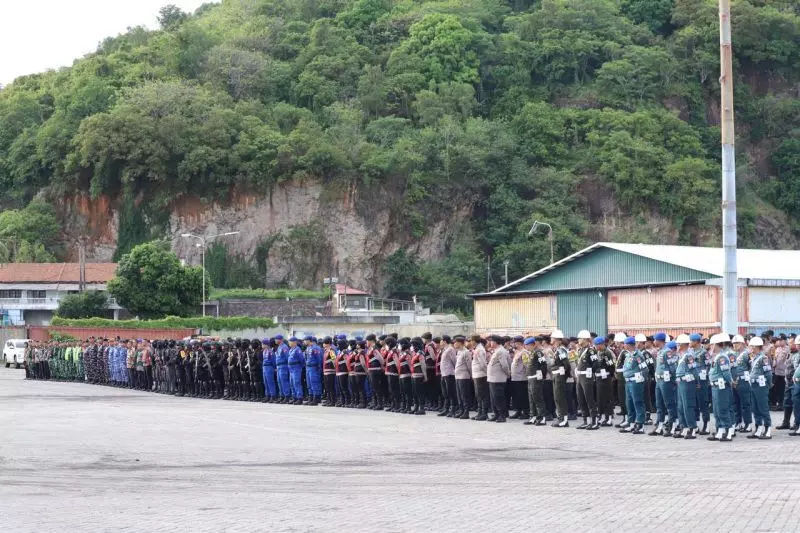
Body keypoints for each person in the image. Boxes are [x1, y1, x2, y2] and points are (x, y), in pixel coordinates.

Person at [649, 333, 678, 437]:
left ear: (659, 340)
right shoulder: (660, 351)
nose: (654, 342)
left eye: (655, 340)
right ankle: (659, 426)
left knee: (669, 404)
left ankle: (672, 426)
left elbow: (672, 368)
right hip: (659, 380)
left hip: (666, 381)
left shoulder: (667, 352)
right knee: (659, 404)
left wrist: (673, 381)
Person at [708, 334, 734, 442]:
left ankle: (728, 431)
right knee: (716, 410)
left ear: (715, 344)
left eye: (711, 345)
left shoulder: (722, 357)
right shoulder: (717, 356)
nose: (710, 347)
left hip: (721, 386)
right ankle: (720, 430)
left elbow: (726, 373)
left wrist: (730, 382)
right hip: (715, 386)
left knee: (722, 409)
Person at [747, 336, 773, 440]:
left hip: (761, 386)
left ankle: (768, 429)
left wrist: (768, 384)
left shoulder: (763, 358)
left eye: (751, 346)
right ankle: (758, 428)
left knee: (763, 408)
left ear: (756, 347)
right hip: (753, 385)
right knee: (755, 408)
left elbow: (768, 373)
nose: (750, 348)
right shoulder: (754, 358)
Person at [619, 337, 647, 434]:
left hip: (636, 382)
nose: (623, 345)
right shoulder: (628, 355)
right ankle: (631, 423)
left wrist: (641, 381)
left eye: (625, 344)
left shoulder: (638, 355)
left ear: (629, 345)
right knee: (629, 403)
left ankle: (640, 424)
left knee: (637, 402)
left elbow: (644, 369)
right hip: (628, 382)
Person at [674, 334, 698, 439]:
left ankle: (692, 428)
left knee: (688, 406)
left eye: (678, 344)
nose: (677, 346)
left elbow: (694, 370)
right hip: (680, 382)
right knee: (680, 406)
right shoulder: (681, 355)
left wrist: (697, 382)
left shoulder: (689, 356)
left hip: (687, 382)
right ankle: (684, 427)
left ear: (683, 344)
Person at [574, 332, 600, 430]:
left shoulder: (591, 350)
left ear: (585, 339)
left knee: (589, 399)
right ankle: (586, 420)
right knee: (581, 399)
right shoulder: (580, 350)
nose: (578, 340)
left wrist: (590, 371)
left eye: (580, 338)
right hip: (580, 376)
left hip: (586, 377)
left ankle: (594, 421)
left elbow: (596, 364)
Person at [524, 337, 548, 426]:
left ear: (531, 345)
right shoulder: (531, 353)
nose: (526, 347)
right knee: (531, 399)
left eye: (527, 345)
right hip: (531, 378)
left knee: (537, 398)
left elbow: (543, 364)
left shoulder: (538, 352)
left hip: (536, 378)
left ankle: (542, 418)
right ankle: (533, 416)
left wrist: (542, 375)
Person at [487, 335, 510, 423]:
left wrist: (508, 374)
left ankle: (502, 415)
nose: (490, 343)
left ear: (496, 342)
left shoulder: (501, 351)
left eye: (491, 341)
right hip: (493, 378)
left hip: (498, 378)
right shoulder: (497, 351)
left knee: (498, 397)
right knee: (494, 398)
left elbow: (505, 365)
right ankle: (496, 414)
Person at [550, 329, 570, 428]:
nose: (551, 339)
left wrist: (563, 375)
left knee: (560, 397)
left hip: (559, 376)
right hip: (556, 375)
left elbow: (566, 364)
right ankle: (560, 417)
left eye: (552, 338)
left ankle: (563, 420)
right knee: (557, 398)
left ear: (557, 339)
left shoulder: (561, 350)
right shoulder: (557, 349)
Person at [595, 336, 616, 426]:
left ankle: (609, 418)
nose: (596, 346)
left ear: (601, 344)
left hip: (606, 378)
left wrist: (609, 375)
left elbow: (611, 366)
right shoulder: (599, 352)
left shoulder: (606, 353)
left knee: (607, 398)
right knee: (600, 398)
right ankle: (602, 416)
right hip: (599, 377)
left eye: (597, 345)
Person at [470, 335, 490, 422]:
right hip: (477, 374)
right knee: (478, 395)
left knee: (482, 395)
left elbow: (483, 363)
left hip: (481, 375)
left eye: (471, 340)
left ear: (474, 341)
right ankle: (480, 412)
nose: (470, 342)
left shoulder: (480, 349)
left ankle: (484, 413)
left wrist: (486, 373)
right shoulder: (477, 349)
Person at [453, 336, 473, 420]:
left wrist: (471, 375)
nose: (454, 344)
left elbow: (469, 365)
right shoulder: (458, 352)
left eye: (455, 342)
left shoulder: (466, 352)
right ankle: (461, 410)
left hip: (464, 376)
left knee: (464, 395)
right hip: (457, 376)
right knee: (459, 395)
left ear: (460, 343)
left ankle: (466, 412)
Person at [509, 336, 529, 420]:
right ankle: (518, 411)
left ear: (518, 343)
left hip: (522, 378)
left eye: (515, 343)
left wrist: (527, 376)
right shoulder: (517, 352)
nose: (513, 344)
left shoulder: (524, 352)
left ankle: (526, 412)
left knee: (522, 396)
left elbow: (526, 365)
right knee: (517, 396)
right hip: (515, 378)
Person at [438, 336, 457, 417]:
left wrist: (454, 371)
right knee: (445, 393)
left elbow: (454, 361)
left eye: (441, 340)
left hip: (449, 373)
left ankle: (453, 409)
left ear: (445, 341)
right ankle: (446, 409)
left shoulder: (450, 349)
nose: (440, 342)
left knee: (451, 392)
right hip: (444, 373)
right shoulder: (445, 349)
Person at [365, 334, 384, 410]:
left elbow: (381, 359)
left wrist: (381, 366)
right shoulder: (370, 349)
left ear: (371, 341)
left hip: (375, 370)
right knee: (372, 387)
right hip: (371, 370)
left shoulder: (374, 349)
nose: (366, 342)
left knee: (376, 387)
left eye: (367, 341)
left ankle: (380, 404)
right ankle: (375, 402)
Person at [304, 337, 323, 406]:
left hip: (314, 367)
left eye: (305, 340)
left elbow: (319, 358)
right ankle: (311, 398)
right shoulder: (308, 348)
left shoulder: (316, 348)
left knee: (314, 383)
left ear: (309, 340)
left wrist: (318, 367)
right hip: (308, 367)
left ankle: (316, 398)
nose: (304, 342)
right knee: (309, 384)